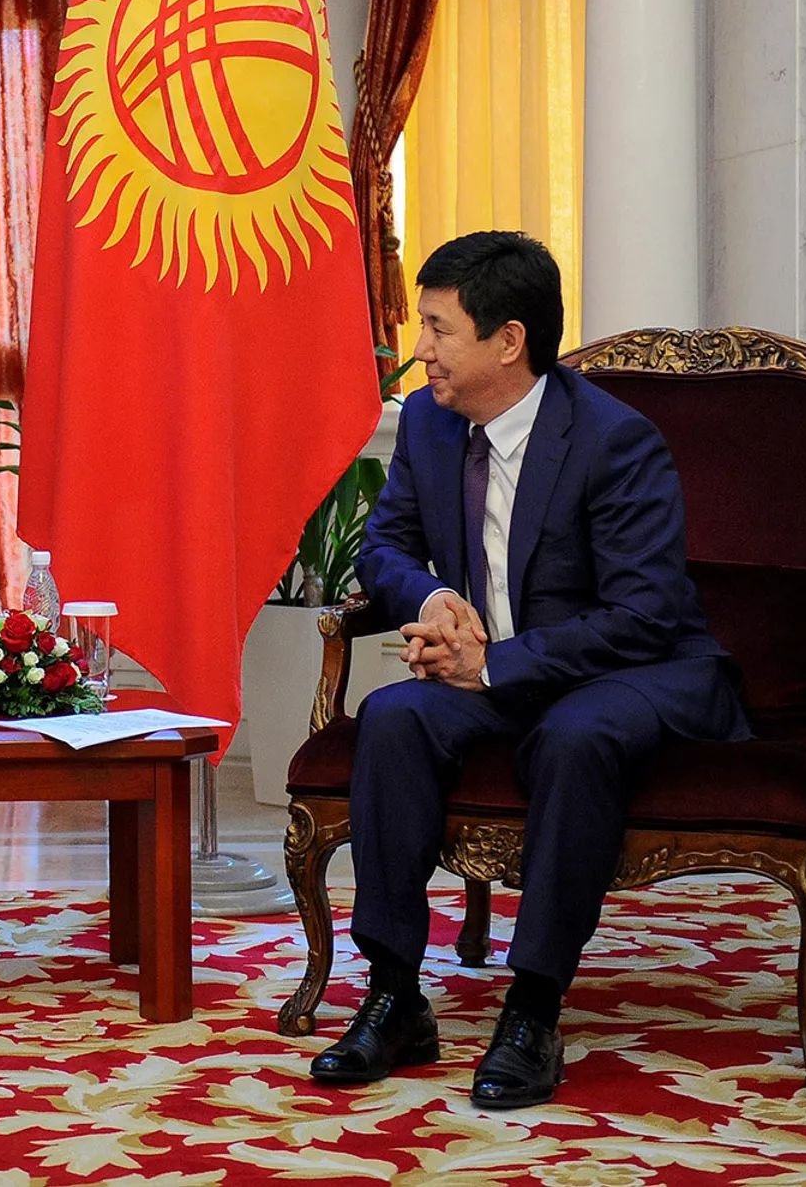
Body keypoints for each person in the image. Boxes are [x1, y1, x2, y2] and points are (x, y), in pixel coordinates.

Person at [308, 230, 749, 1108]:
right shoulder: (430, 422)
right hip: (494, 673)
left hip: (623, 671)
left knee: (576, 735)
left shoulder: (614, 441)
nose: (420, 349)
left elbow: (644, 614)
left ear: (508, 340)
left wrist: (495, 662)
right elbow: (383, 548)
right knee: (392, 715)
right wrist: (435, 598)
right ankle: (395, 995)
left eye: (438, 328)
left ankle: (534, 1008)